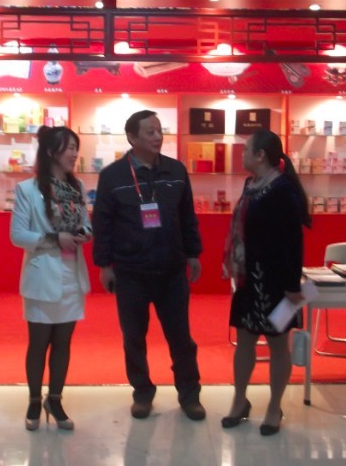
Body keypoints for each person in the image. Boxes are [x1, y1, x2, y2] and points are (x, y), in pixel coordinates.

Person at [92, 109, 205, 421]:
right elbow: (102, 223)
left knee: (181, 337)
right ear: (132, 137)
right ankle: (142, 392)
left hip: (171, 269)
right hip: (130, 272)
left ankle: (189, 393)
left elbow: (187, 216)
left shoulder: (176, 170)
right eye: (150, 132)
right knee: (133, 338)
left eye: (159, 131)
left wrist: (193, 253)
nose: (158, 137)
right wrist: (104, 264)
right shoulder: (113, 176)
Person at [221, 128, 311, 435]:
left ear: (260, 156)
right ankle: (239, 401)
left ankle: (274, 407)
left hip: (277, 282)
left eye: (246, 149)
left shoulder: (282, 189)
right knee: (244, 340)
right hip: (250, 278)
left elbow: (293, 242)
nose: (242, 154)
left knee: (277, 344)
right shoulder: (251, 184)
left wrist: (292, 287)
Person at [10, 125, 91, 431]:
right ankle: (34, 400)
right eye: (69, 147)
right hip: (42, 275)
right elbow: (18, 235)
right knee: (38, 343)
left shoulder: (77, 186)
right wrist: (55, 239)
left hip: (72, 276)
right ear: (50, 152)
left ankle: (54, 400)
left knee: (63, 343)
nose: (74, 153)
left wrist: (83, 234)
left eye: (75, 147)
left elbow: (87, 223)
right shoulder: (27, 190)